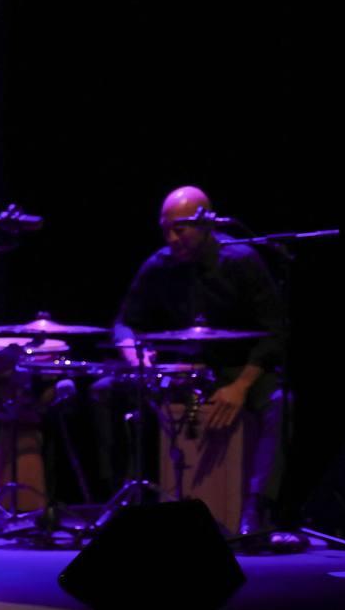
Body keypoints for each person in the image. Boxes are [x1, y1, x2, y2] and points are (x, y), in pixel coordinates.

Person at [108, 185, 288, 539]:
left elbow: (275, 332)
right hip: (185, 368)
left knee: (281, 404)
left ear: (207, 224)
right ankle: (128, 501)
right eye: (165, 229)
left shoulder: (242, 260)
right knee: (104, 392)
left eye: (180, 229)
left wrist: (240, 386)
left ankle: (257, 508)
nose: (171, 238)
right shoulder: (159, 265)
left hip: (238, 368)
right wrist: (134, 354)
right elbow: (124, 322)